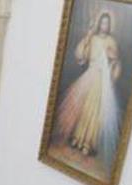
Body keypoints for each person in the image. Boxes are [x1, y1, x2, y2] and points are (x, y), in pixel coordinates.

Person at [53, 10, 122, 164]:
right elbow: (81, 56)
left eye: (107, 23)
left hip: (101, 80)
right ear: (99, 23)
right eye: (102, 22)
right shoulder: (94, 38)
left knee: (95, 111)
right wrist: (89, 34)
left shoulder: (111, 41)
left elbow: (116, 63)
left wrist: (112, 61)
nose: (104, 25)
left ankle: (88, 143)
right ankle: (78, 139)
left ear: (109, 25)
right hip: (89, 76)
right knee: (83, 108)